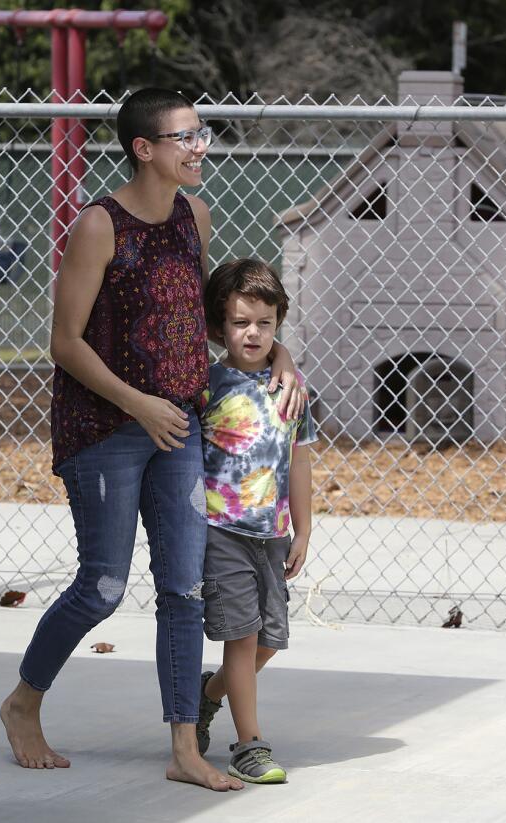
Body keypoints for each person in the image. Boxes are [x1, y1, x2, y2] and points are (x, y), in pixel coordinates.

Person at [0, 88, 306, 790]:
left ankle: (184, 749)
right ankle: (23, 700)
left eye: (202, 135)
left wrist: (279, 354)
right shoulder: (99, 226)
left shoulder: (193, 215)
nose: (200, 148)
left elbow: (198, 320)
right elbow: (64, 342)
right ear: (145, 149)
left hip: (180, 429)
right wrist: (138, 404)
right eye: (185, 138)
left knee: (185, 589)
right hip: (105, 426)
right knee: (102, 586)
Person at [193, 258, 316, 784]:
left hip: (272, 534)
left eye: (265, 324)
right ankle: (249, 745)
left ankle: (209, 693)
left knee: (270, 640)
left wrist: (304, 530)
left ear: (278, 323)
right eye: (241, 322)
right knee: (241, 639)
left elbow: (301, 459)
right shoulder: (207, 384)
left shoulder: (290, 387)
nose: (253, 333)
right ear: (221, 325)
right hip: (221, 532)